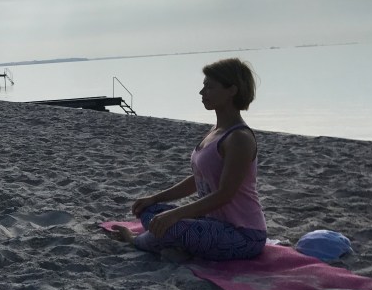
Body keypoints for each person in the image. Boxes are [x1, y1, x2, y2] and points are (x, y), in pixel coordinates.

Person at [114, 58, 267, 261]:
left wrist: (176, 215)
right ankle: (179, 244)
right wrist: (155, 198)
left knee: (171, 227)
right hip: (212, 223)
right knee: (149, 210)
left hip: (243, 234)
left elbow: (225, 195)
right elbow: (198, 178)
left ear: (232, 90)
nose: (202, 92)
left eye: (209, 87)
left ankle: (135, 240)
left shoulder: (239, 138)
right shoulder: (215, 131)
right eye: (204, 86)